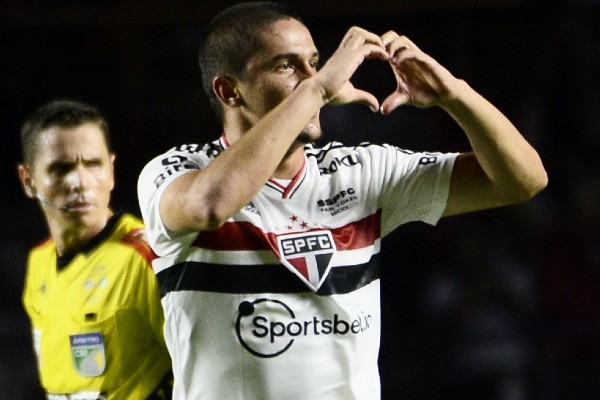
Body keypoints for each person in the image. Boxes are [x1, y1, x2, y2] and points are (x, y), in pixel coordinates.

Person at [137, 2, 548, 399]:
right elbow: (209, 205)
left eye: (314, 62)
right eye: (286, 65)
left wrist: (455, 94)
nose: (316, 76)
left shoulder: (360, 171)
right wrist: (314, 89)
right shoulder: (176, 171)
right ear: (230, 91)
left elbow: (521, 181)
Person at [17, 99, 173, 400]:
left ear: (111, 171)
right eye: (61, 168)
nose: (80, 182)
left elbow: (206, 370)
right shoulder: (39, 261)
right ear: (28, 181)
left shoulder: (145, 259)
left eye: (93, 164)